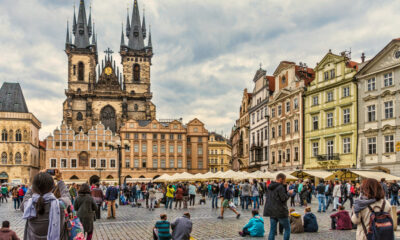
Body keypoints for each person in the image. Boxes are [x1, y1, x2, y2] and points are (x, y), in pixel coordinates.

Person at [21, 170, 71, 240]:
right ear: (52, 188)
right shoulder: (60, 205)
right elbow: (67, 196)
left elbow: (27, 196)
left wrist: (38, 177)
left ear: (33, 188)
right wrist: (60, 180)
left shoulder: (28, 206)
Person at [263, 173, 293, 240]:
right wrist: (289, 193)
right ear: (280, 179)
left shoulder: (270, 186)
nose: (285, 181)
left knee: (272, 230)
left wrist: (284, 186)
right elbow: (283, 199)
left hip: (271, 211)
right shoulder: (280, 187)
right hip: (280, 211)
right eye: (284, 180)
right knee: (287, 228)